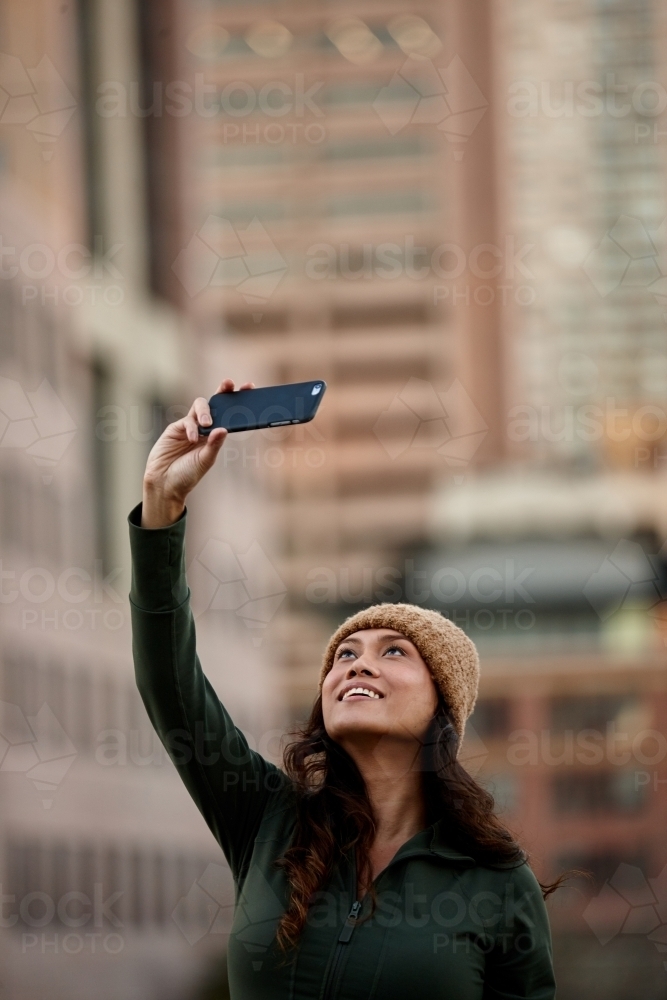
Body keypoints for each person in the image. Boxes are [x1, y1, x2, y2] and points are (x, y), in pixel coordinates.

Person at [129, 379, 557, 1000]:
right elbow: (169, 685)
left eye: (394, 652)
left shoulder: (495, 880)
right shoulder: (267, 821)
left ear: (443, 702)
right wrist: (161, 504)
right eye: (344, 656)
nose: (357, 665)